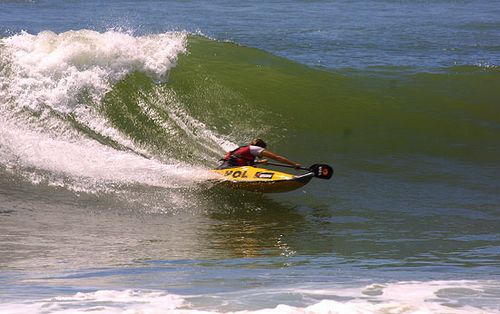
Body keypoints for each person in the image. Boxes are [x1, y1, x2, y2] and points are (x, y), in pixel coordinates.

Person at [218, 138, 301, 169]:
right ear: (261, 147)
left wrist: (259, 162)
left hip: (225, 167)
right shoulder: (257, 149)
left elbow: (242, 160)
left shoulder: (244, 148)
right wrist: (294, 164)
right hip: (231, 168)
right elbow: (277, 158)